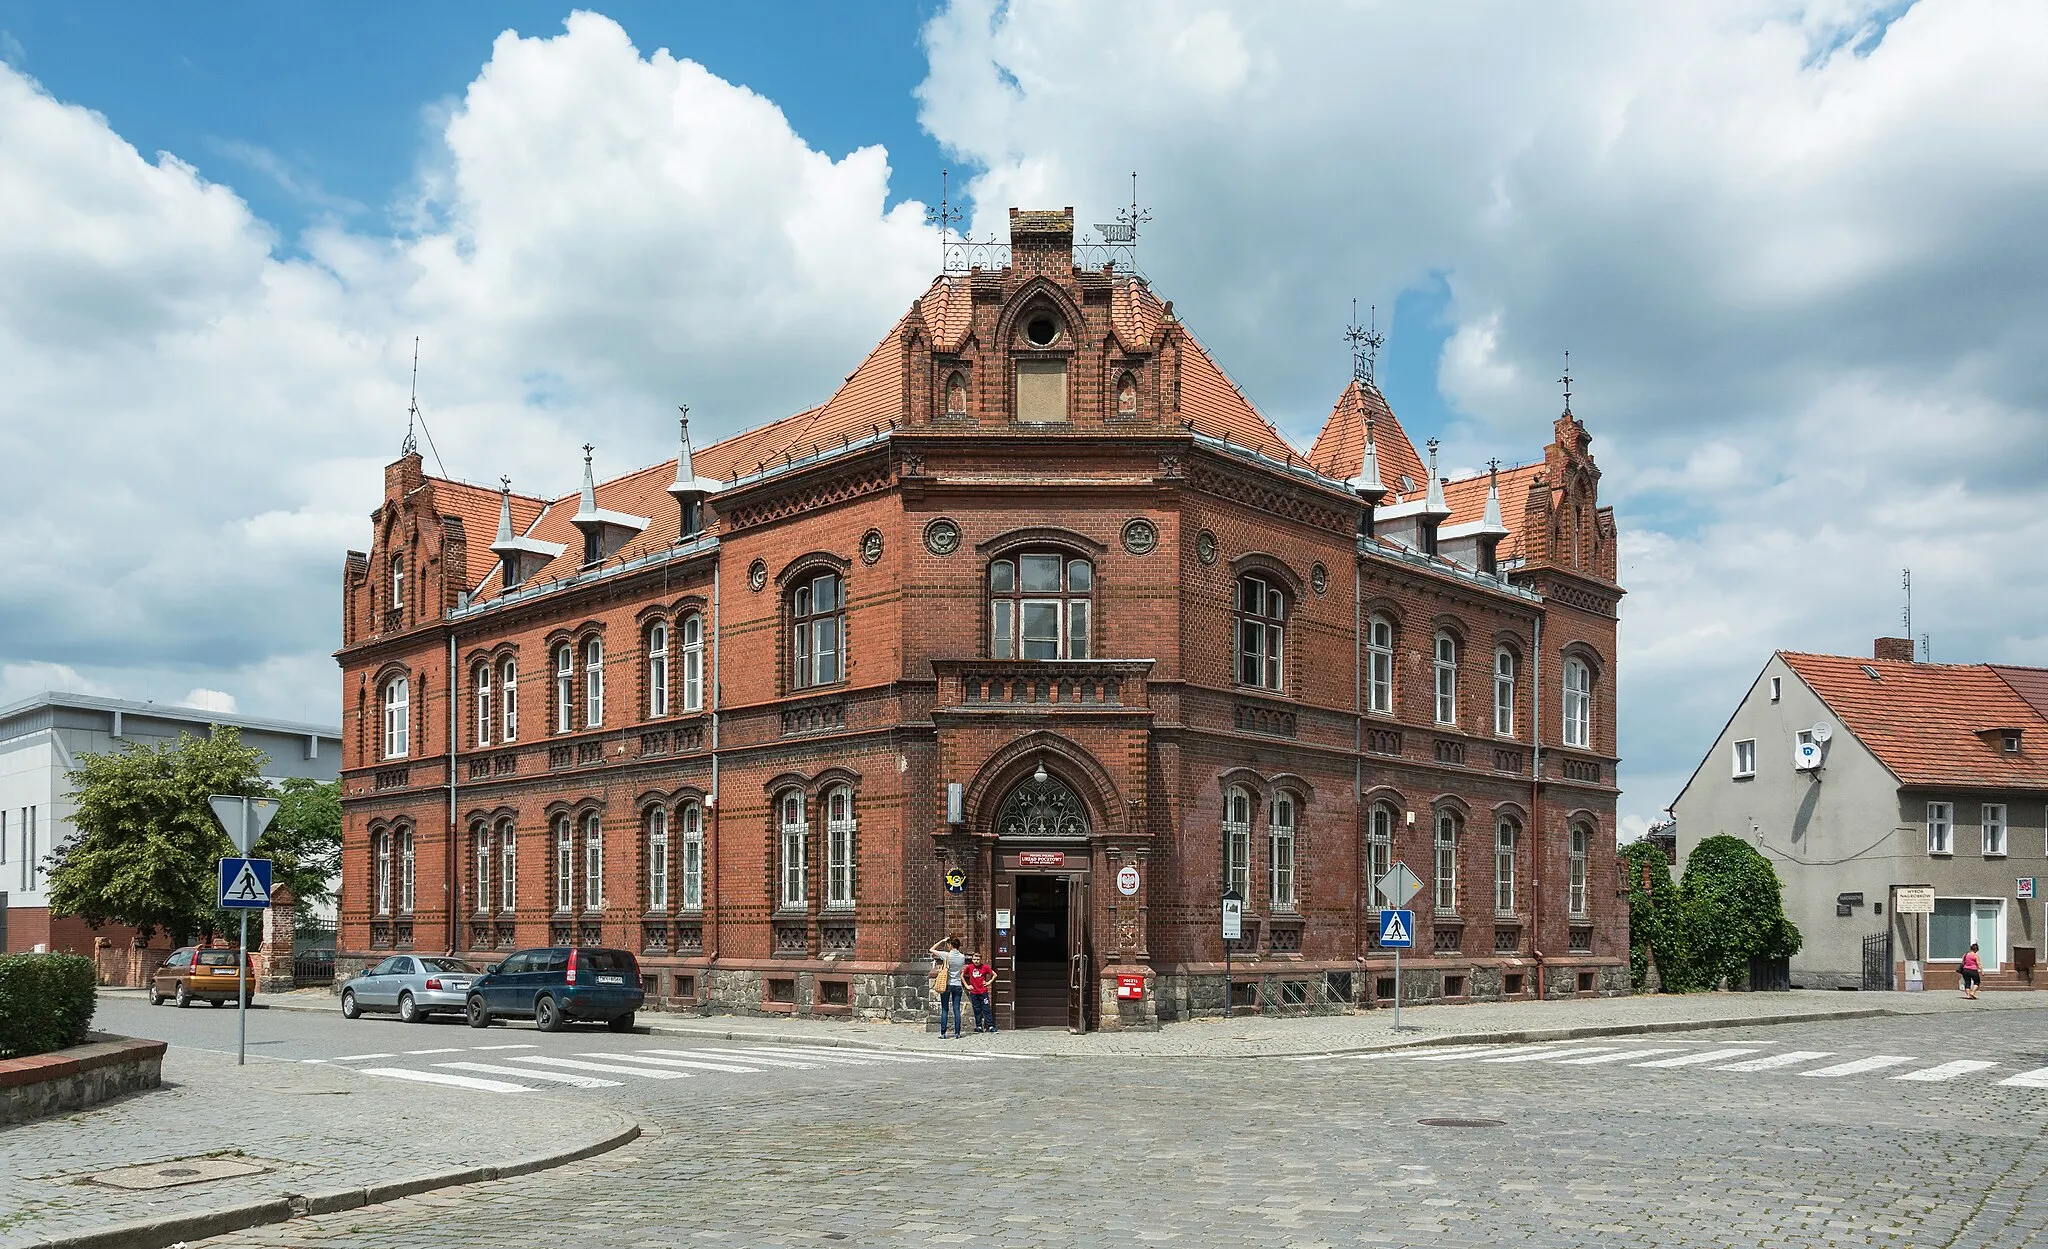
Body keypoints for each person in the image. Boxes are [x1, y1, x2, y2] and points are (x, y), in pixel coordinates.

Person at [930, 937, 967, 1037]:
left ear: (950, 945)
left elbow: (932, 949)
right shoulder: (962, 957)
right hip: (957, 984)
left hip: (946, 984)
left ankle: (943, 1033)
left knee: (945, 1008)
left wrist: (942, 941)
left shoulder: (946, 955)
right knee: (956, 1009)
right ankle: (957, 1033)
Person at [965, 952, 997, 1034]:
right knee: (977, 1009)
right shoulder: (969, 967)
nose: (976, 961)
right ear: (972, 960)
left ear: (980, 960)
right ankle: (979, 1026)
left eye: (978, 959)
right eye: (974, 959)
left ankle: (990, 1026)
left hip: (983, 992)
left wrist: (989, 982)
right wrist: (967, 986)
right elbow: (962, 975)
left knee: (986, 1008)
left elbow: (994, 974)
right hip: (974, 992)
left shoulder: (985, 967)